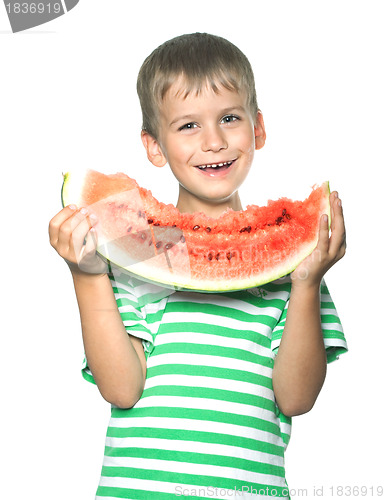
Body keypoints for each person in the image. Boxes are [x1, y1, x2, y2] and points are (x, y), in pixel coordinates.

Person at [49, 33, 347, 499]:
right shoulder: (137, 255)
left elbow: (296, 398)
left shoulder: (294, 270)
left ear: (258, 129)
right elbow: (122, 388)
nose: (213, 141)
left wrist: (307, 286)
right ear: (154, 146)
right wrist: (86, 275)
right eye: (188, 126)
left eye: (229, 118)